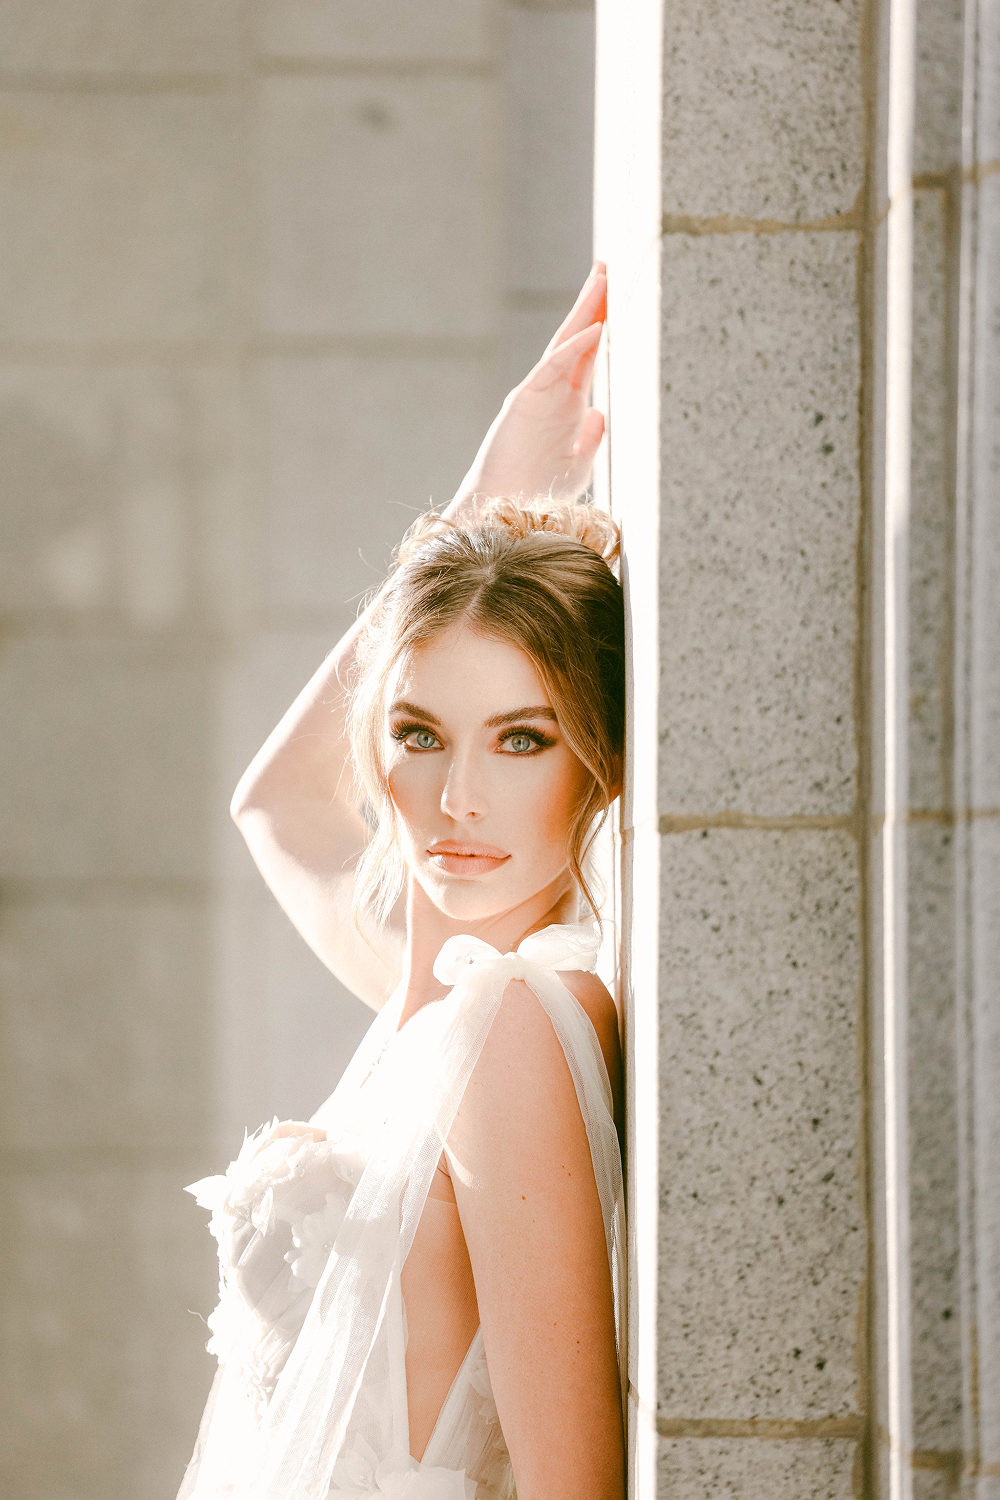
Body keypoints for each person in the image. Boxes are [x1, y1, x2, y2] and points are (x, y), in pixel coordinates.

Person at [179, 264, 626, 1500]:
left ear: (596, 768)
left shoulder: (515, 1028)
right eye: (420, 734)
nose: (459, 800)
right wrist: (489, 509)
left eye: (522, 739)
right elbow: (272, 804)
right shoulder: (420, 1005)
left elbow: (569, 1488)